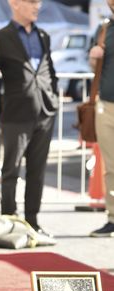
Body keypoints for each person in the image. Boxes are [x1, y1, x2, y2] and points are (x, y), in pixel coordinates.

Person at [0, 0, 59, 236]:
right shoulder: (0, 37)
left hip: (45, 112)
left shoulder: (43, 35)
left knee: (37, 171)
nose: (37, 6)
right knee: (11, 170)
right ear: (14, 4)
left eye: (39, 2)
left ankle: (32, 221)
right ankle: (9, 220)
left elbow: (49, 71)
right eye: (32, 2)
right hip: (16, 114)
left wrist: (53, 96)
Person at [89, 1, 114, 238]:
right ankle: (113, 218)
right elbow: (94, 65)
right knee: (111, 167)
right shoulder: (104, 28)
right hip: (105, 105)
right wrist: (94, 56)